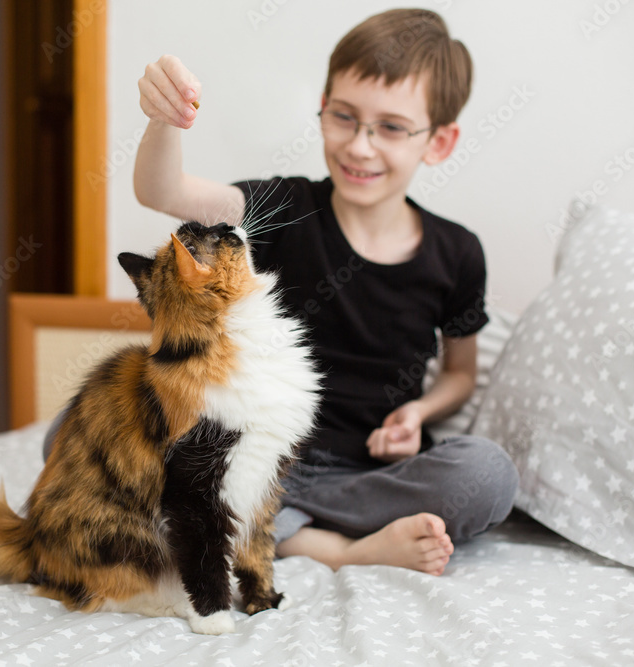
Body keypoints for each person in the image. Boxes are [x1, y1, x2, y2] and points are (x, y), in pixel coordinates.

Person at [130, 8, 519, 576]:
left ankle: (272, 528)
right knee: (78, 438)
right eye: (343, 117)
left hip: (363, 475)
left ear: (438, 141)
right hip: (250, 453)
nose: (360, 147)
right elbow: (161, 191)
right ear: (323, 108)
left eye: (390, 127)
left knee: (486, 473)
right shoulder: (285, 207)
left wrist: (420, 411)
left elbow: (460, 373)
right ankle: (335, 547)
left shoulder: (457, 253)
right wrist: (164, 120)